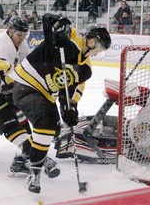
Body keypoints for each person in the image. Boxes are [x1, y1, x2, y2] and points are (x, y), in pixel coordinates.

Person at [10, 13, 111, 193]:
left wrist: (69, 109)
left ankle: (23, 160)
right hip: (27, 83)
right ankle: (35, 173)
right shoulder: (68, 37)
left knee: (54, 129)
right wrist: (58, 23)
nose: (98, 53)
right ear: (92, 41)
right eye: (99, 48)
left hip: (44, 94)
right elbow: (48, 19)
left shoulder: (86, 69)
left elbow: (68, 92)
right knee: (46, 124)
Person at [0, 17, 60, 178]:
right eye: (19, 35)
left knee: (19, 115)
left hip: (3, 84)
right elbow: (7, 75)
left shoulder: (21, 43)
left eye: (24, 34)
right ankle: (29, 155)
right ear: (10, 31)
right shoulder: (3, 44)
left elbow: (27, 67)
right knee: (12, 118)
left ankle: (26, 156)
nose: (22, 38)